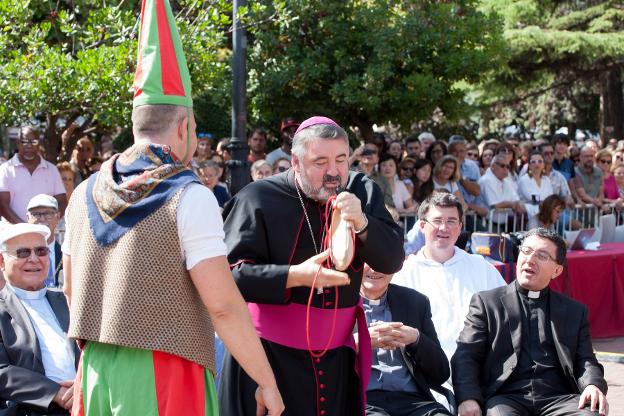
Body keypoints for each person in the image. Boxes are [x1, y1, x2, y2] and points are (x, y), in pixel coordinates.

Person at [62, 2, 284, 414]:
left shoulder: (83, 191)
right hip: (166, 371)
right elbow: (222, 304)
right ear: (184, 127)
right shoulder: (189, 195)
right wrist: (266, 380)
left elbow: (73, 289)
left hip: (95, 368)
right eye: (195, 130)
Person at [219, 116, 404, 416]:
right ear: (296, 161)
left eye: (342, 160)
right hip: (267, 359)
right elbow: (229, 277)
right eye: (320, 162)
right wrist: (293, 276)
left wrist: (363, 222)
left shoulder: (361, 190)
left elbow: (392, 259)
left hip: (336, 362)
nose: (334, 172)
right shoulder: (257, 198)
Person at [452, 228, 609, 416]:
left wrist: (593, 384)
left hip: (559, 397)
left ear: (557, 270)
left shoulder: (574, 311)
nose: (530, 259)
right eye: (526, 251)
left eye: (542, 256)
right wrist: (467, 397)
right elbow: (466, 355)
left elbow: (585, 359)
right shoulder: (487, 303)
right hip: (505, 396)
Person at [392, 193, 505, 364]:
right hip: (425, 368)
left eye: (451, 221)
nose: (444, 228)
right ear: (422, 225)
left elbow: (506, 311)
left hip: (477, 367)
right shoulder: (405, 273)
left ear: (460, 227)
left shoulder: (482, 268)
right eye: (437, 221)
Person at [0, 223, 80, 415]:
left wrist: (84, 383)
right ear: (2, 262)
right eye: (22, 253)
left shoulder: (68, 300)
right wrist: (56, 393)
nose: (34, 259)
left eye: (41, 251)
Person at [360, 264, 452, 416]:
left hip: (413, 402)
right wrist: (361, 341)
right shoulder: (338, 302)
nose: (375, 269)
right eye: (368, 261)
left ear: (396, 265)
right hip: (363, 402)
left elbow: (441, 374)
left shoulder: (414, 302)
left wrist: (416, 338)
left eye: (381, 261)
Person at [0, 127, 67, 223]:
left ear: (39, 143)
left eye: (33, 141)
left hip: (44, 233)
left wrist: (49, 223)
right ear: (18, 143)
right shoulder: (5, 169)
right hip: (13, 234)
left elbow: (62, 203)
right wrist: (25, 228)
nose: (29, 145)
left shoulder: (51, 170)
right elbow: (2, 205)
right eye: (24, 141)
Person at [479, 155, 526, 228]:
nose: (506, 169)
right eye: (502, 166)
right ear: (493, 166)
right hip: (487, 225)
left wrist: (516, 204)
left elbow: (516, 200)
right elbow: (495, 205)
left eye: (508, 167)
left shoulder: (507, 181)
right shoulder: (486, 180)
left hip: (505, 225)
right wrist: (512, 204)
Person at [26, 194, 62, 288]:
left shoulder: (68, 255)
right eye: (36, 214)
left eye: (48, 213)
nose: (42, 219)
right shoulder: (17, 255)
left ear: (58, 217)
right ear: (28, 218)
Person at [518, 152, 554, 228]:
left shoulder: (547, 180)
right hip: (529, 217)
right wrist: (546, 204)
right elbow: (531, 198)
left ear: (543, 165)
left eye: (540, 161)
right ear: (529, 165)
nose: (537, 164)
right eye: (533, 162)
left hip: (547, 216)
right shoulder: (524, 179)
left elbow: (551, 197)